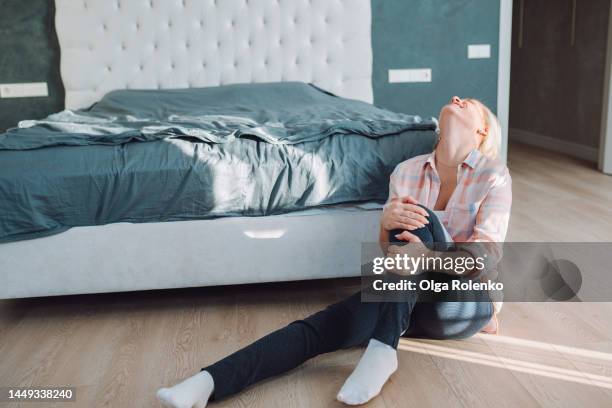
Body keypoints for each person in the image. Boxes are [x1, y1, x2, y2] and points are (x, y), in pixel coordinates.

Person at [157, 96, 512, 408]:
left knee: (421, 218)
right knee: (319, 328)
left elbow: (483, 259)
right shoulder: (406, 171)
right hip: (409, 299)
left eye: (468, 102)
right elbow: (392, 254)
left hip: (462, 299)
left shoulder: (493, 175)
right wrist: (384, 225)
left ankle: (383, 348)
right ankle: (207, 383)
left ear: (481, 131)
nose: (455, 98)